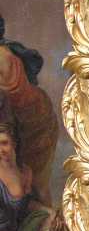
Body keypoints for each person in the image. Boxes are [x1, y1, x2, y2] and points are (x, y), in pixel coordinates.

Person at [0, 16, 58, 206]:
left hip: (32, 124)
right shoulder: (7, 51)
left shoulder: (3, 57)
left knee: (31, 188)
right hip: (29, 119)